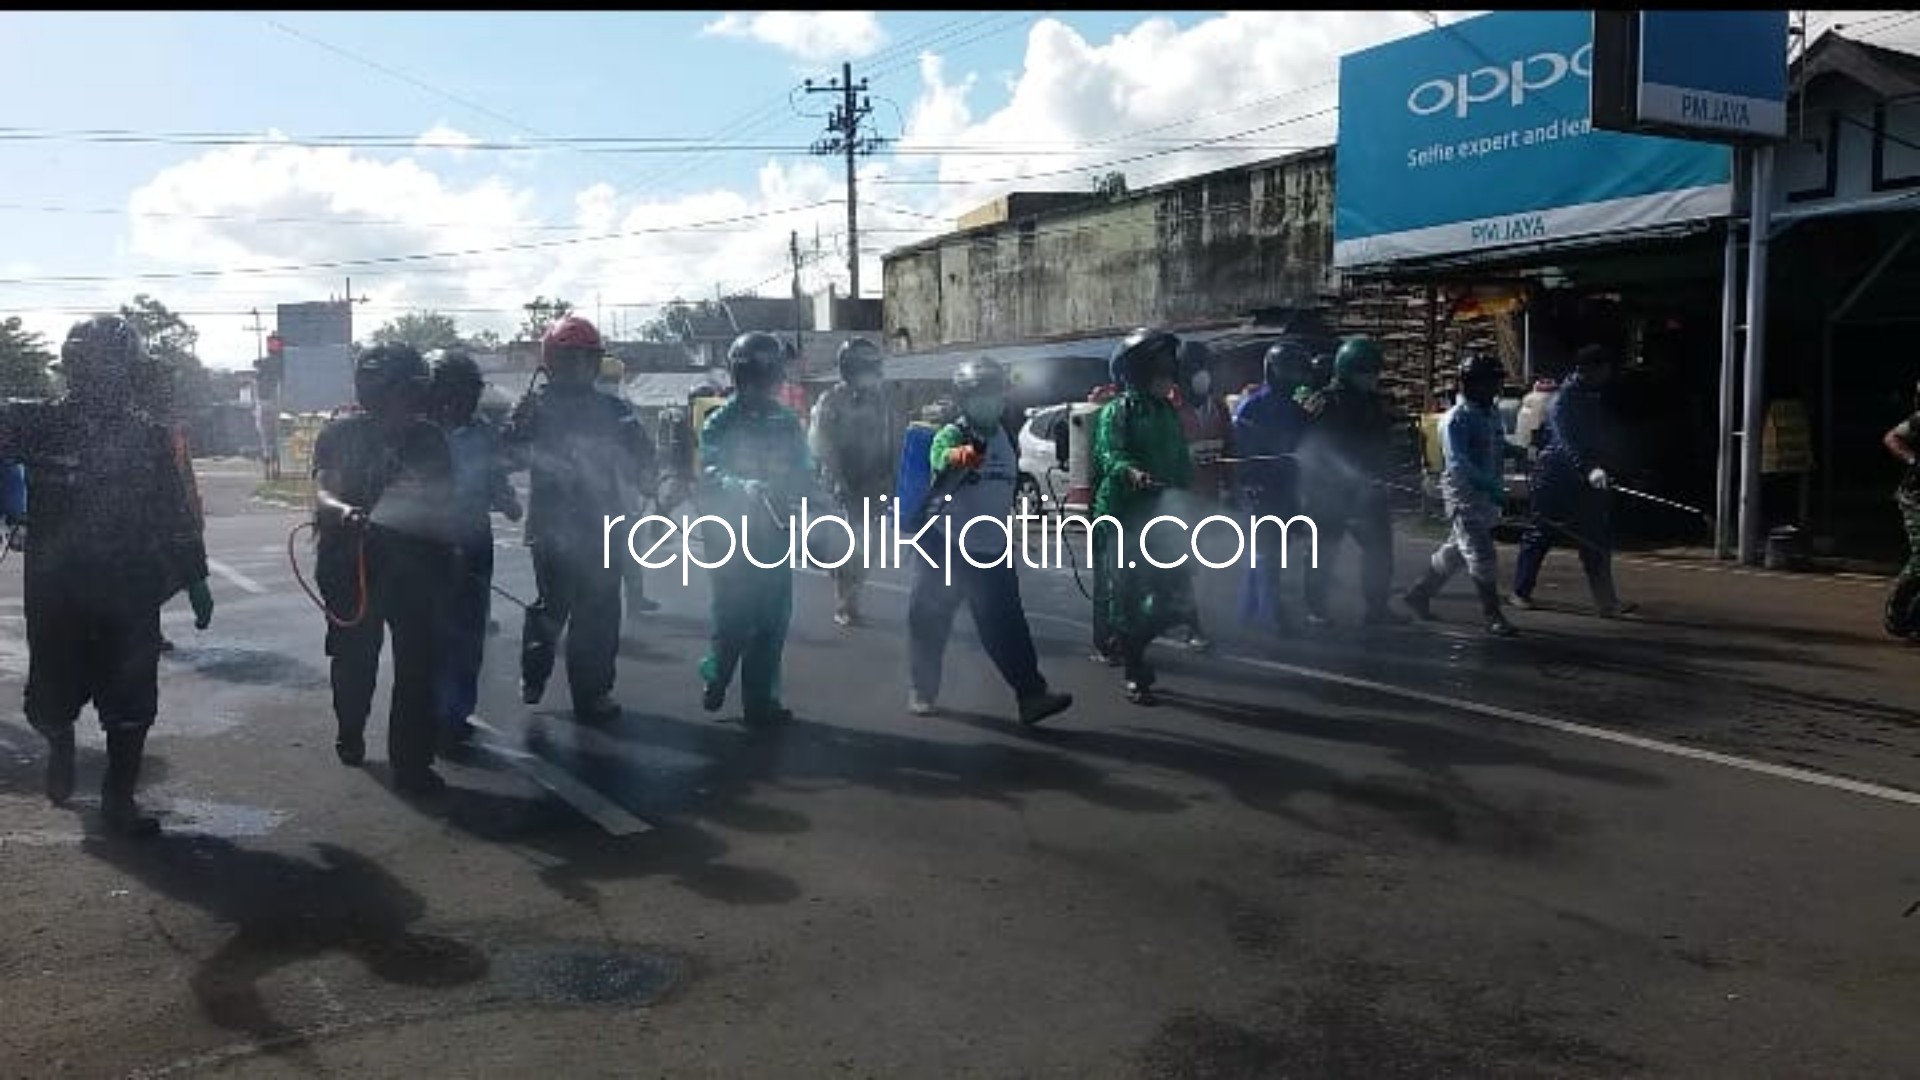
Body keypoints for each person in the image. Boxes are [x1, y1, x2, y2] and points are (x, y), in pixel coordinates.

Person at [1, 315, 213, 836]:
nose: (102, 381)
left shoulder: (149, 437)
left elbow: (173, 512)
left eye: (113, 371)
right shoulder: (32, 421)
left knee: (132, 699)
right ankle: (60, 745)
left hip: (129, 590)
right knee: (50, 700)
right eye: (91, 368)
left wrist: (196, 576)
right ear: (71, 369)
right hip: (56, 591)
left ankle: (119, 798)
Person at [311, 344, 456, 794]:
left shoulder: (430, 439)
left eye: (417, 392)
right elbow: (323, 490)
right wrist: (344, 512)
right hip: (349, 563)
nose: (413, 402)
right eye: (404, 392)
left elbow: (442, 497)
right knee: (355, 658)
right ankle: (350, 729)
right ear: (376, 391)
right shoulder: (340, 434)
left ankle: (412, 762)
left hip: (415, 566)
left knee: (419, 666)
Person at [906, 359, 1074, 726]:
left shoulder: (1004, 436)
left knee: (1007, 626)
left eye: (995, 393)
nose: (990, 401)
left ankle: (1032, 695)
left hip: (991, 548)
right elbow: (941, 459)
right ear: (964, 400)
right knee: (929, 619)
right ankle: (923, 690)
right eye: (981, 395)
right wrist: (963, 456)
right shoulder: (953, 434)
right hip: (946, 545)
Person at [504, 316, 655, 724]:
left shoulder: (613, 409)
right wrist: (518, 425)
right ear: (552, 361)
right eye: (571, 359)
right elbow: (507, 456)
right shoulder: (535, 406)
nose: (579, 368)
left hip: (603, 526)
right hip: (551, 528)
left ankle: (593, 692)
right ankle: (534, 673)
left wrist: (648, 475)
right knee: (551, 608)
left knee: (600, 612)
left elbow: (641, 453)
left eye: (587, 359)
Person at [697, 332, 811, 728]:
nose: (764, 386)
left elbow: (803, 467)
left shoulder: (787, 422)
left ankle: (761, 703)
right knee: (733, 618)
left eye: (770, 378)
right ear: (740, 377)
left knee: (772, 620)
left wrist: (811, 499)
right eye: (756, 378)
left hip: (774, 532)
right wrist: (740, 486)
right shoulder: (719, 422)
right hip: (728, 533)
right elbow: (710, 469)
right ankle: (717, 674)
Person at [1093, 328, 1195, 705]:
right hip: (1123, 514)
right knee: (1128, 596)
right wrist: (1131, 472)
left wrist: (1186, 492)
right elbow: (1110, 453)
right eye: (1159, 367)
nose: (1167, 374)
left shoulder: (1167, 410)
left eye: (1169, 366)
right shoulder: (1118, 411)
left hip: (1161, 515)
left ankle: (1129, 643)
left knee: (1174, 598)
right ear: (1137, 370)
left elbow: (1179, 457)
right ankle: (1135, 673)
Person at [427, 349, 522, 750]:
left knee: (469, 630)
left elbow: (496, 475)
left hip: (474, 538)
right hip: (428, 542)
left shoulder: (483, 432)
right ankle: (429, 711)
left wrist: (506, 499)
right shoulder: (419, 432)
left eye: (468, 393)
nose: (461, 401)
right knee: (431, 631)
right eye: (453, 392)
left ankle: (456, 713)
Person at [1509, 344, 1636, 617]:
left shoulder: (1592, 395)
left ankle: (1606, 602)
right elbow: (1565, 442)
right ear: (1587, 369)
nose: (1607, 374)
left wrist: (1603, 465)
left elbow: (1595, 437)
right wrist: (1588, 468)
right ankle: (1520, 591)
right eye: (1604, 369)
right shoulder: (1562, 400)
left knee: (1595, 537)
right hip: (1553, 476)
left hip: (1584, 476)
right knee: (1541, 533)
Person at [1402, 352, 1519, 637]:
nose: (1496, 388)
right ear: (1471, 383)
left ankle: (1419, 593)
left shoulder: (1491, 413)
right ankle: (1492, 614)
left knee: (1456, 551)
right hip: (1464, 496)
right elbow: (1458, 462)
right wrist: (1489, 485)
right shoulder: (1456, 419)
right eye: (1490, 382)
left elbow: (1497, 444)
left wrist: (1520, 451)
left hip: (1485, 496)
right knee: (1482, 553)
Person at [1296, 336, 1407, 628]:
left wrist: (1386, 472)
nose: (1372, 378)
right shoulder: (1325, 403)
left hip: (1367, 492)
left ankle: (1377, 608)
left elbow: (1381, 443)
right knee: (1323, 551)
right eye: (1365, 372)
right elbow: (1314, 448)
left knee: (1379, 550)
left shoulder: (1372, 403)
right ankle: (1316, 609)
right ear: (1348, 370)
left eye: (1374, 372)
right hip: (1329, 494)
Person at [1231, 340, 1321, 634]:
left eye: (1298, 372)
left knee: (1275, 552)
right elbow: (1240, 450)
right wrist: (1247, 483)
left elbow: (1304, 442)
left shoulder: (1295, 407)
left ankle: (1249, 611)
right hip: (1260, 489)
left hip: (1286, 487)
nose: (1295, 377)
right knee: (1267, 553)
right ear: (1273, 370)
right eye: (1289, 370)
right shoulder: (1253, 406)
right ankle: (1271, 615)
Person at [809, 337, 897, 628]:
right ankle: (845, 602)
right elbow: (822, 444)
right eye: (864, 366)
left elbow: (891, 439)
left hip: (875, 484)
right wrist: (837, 480)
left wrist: (892, 477)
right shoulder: (830, 401)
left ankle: (852, 593)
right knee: (846, 546)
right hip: (843, 485)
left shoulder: (882, 400)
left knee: (869, 547)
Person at [1167, 339, 1227, 652]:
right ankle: (1192, 626)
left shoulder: (1218, 408)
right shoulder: (1167, 409)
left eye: (1206, 368)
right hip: (1178, 504)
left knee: (1206, 566)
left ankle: (1191, 618)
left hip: (1209, 500)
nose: (1203, 375)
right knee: (1183, 567)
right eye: (1196, 368)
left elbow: (1230, 451)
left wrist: (1231, 489)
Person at [1881, 379, 1920, 638]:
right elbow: (1891, 437)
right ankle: (1897, 606)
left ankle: (1915, 618)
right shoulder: (1919, 421)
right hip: (1915, 497)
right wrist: (1913, 459)